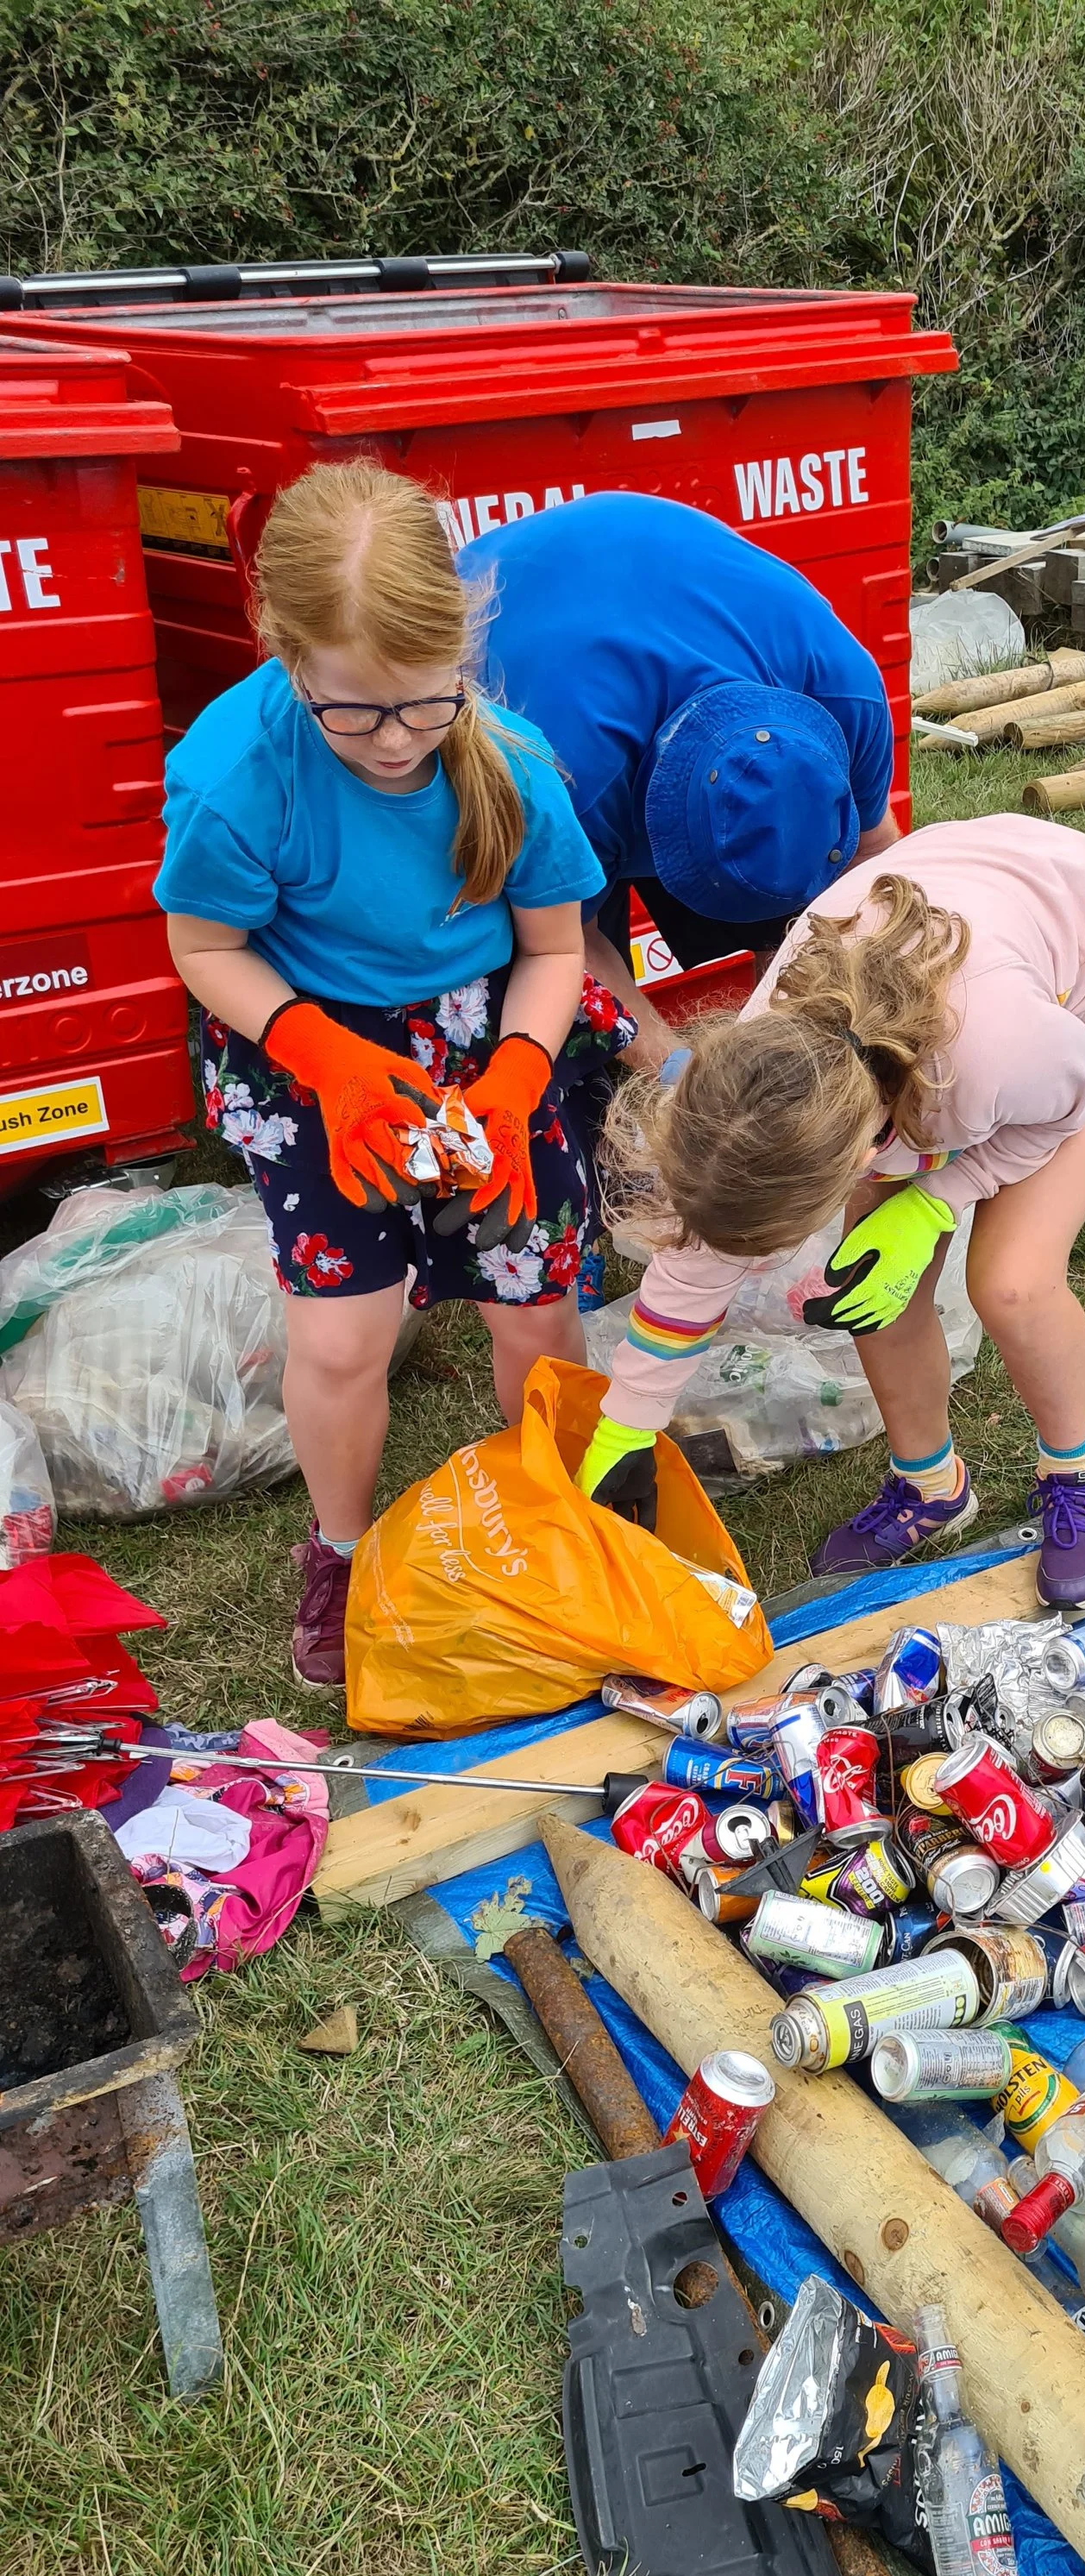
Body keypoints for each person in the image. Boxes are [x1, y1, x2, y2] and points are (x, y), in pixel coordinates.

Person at [155, 460, 616, 1689]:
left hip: (490, 1036)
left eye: (426, 703)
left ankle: (552, 1515)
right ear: (285, 654)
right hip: (307, 1045)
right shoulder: (237, 777)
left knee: (534, 1301)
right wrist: (327, 1059)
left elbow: (555, 950)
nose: (400, 742)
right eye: (355, 714)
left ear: (462, 649)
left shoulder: (509, 759)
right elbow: (205, 947)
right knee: (344, 1333)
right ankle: (343, 1550)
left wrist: (513, 1083)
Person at [574, 815, 1085, 1608]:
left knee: (1012, 1283)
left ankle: (1080, 1472)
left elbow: (1066, 1100)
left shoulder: (997, 1054)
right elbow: (699, 1254)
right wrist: (627, 1423)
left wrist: (939, 1199)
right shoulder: (759, 1077)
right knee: (867, 1281)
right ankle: (931, 1487)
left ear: (861, 1158)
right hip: (963, 948)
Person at [467, 493, 901, 1069]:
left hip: (647, 579)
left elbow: (875, 866)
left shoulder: (847, 696)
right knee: (583, 1045)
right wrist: (677, 1073)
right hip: (510, 612)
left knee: (779, 896)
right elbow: (564, 944)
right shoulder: (569, 777)